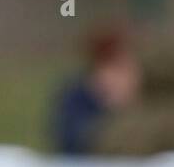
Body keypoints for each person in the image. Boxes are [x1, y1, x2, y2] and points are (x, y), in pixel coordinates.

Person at [51, 27, 142, 155]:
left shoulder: (149, 100)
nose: (121, 79)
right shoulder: (75, 101)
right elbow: (70, 140)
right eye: (113, 69)